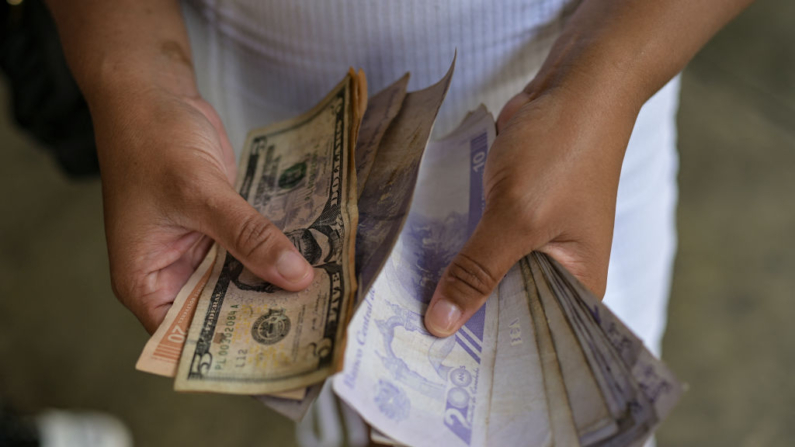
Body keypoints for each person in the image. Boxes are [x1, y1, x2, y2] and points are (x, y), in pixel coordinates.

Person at [46, 0, 752, 441]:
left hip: (580, 131)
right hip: (258, 117)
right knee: (345, 412)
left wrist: (610, 78)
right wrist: (133, 85)